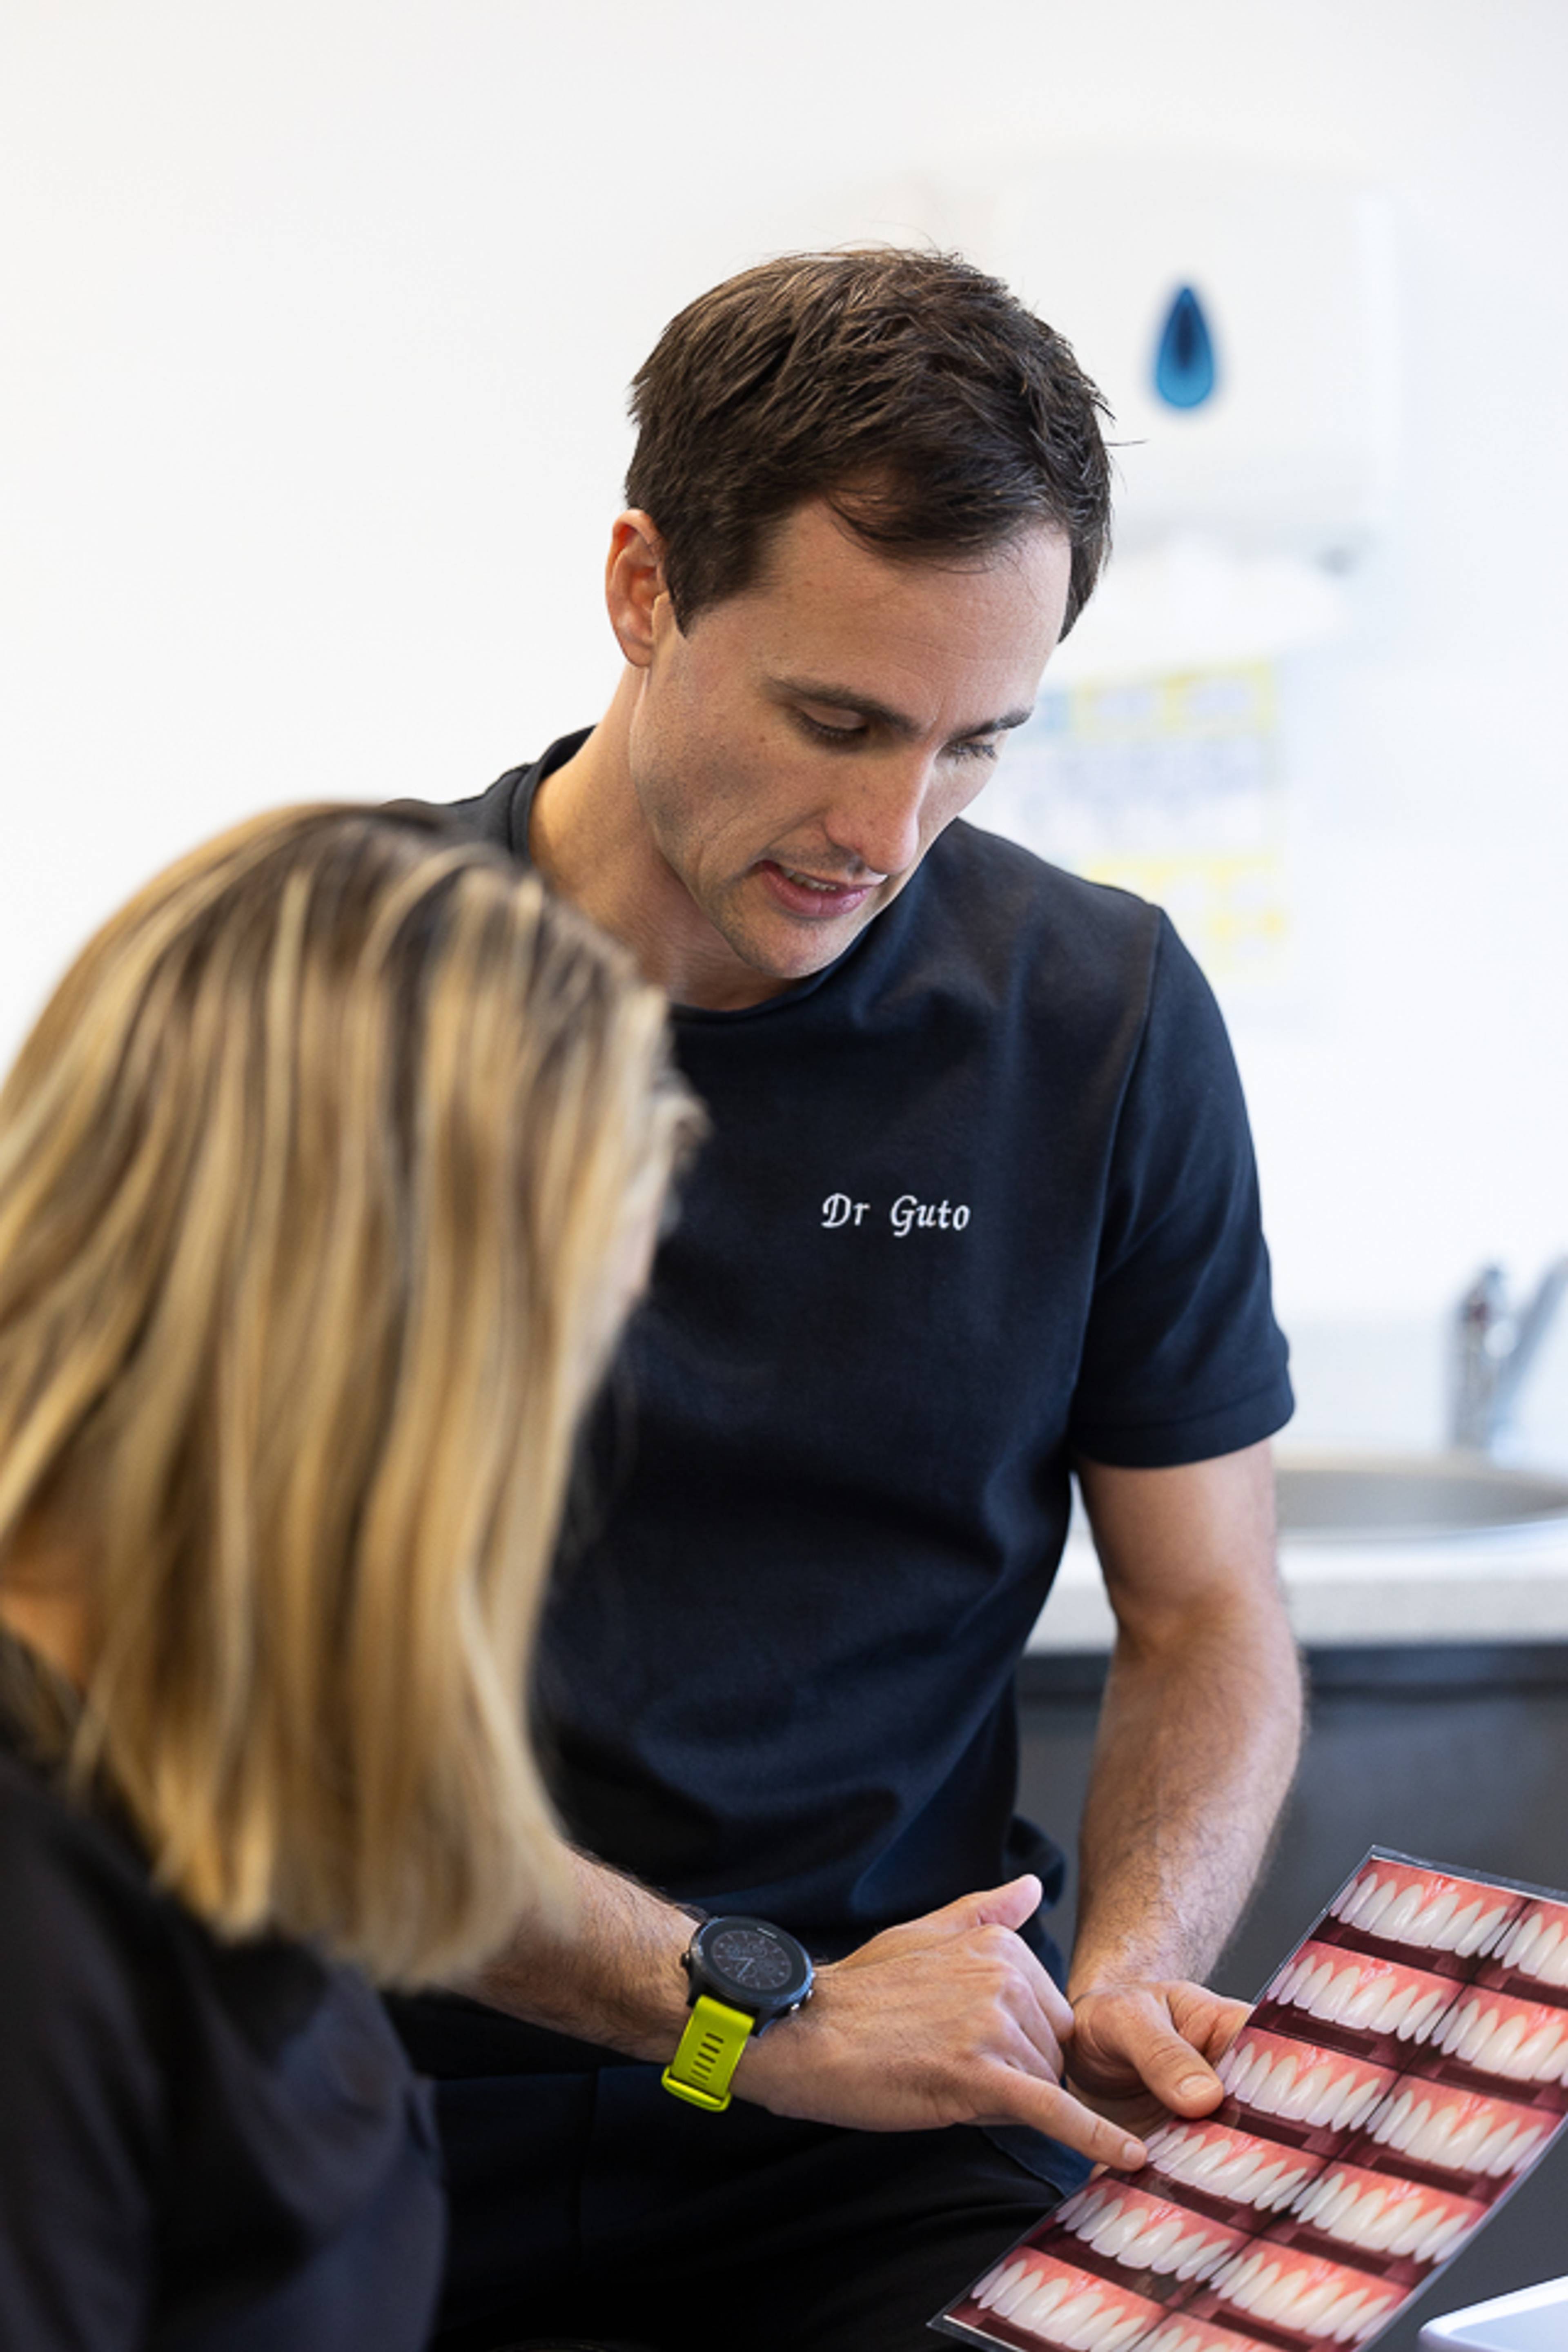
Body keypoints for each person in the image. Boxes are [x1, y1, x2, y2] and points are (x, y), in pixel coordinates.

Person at [395, 247, 1304, 2352]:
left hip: (884, 2128)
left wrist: (1134, 1969)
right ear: (644, 587)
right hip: (366, 2090)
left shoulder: (1101, 1017)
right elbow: (224, 1715)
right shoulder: (337, 998)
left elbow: (1205, 1610)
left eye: (979, 745)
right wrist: (752, 2017)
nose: (888, 832)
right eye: (837, 721)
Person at [0, 805, 695, 2350]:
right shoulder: (43, 1923)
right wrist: (757, 2021)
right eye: (559, 1363)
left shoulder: (193, 1757)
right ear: (397, 1350)